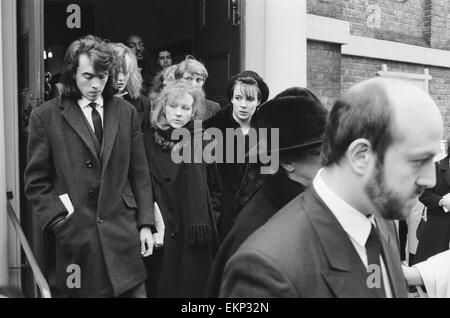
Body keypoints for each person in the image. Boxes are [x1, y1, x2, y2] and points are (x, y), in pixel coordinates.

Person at [220, 77, 444, 298]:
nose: (430, 180)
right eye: (417, 161)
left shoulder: (382, 218)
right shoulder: (267, 268)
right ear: (360, 156)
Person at [24, 35, 156, 298]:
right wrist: (61, 221)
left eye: (103, 76)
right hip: (78, 239)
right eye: (88, 76)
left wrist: (145, 224)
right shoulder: (46, 116)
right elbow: (36, 182)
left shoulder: (126, 111)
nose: (96, 84)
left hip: (124, 235)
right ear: (72, 73)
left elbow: (140, 173)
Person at [205, 87, 327, 297]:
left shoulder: (306, 203)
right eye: (319, 152)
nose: (330, 159)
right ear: (288, 162)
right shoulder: (258, 230)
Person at [143, 82, 221, 297]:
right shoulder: (148, 140)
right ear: (163, 108)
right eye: (173, 106)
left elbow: (215, 187)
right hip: (163, 230)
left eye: (185, 108)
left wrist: (207, 216)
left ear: (193, 111)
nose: (178, 113)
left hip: (194, 232)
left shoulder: (203, 140)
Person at [204, 70, 269, 242]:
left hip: (256, 218)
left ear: (259, 101)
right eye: (238, 98)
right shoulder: (210, 130)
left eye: (249, 99)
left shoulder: (268, 132)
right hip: (220, 218)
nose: (243, 105)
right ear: (231, 98)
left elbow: (271, 175)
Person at [413, 141, 450, 264]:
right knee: (433, 267)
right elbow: (423, 193)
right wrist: (442, 202)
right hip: (439, 225)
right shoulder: (436, 167)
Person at [108, 42, 151, 131]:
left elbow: (146, 139)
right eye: (116, 72)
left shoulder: (143, 103)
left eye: (126, 72)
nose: (121, 78)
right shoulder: (95, 103)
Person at [175, 55, 221, 120]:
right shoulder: (169, 107)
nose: (194, 84)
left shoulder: (214, 108)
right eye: (189, 78)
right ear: (178, 80)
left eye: (198, 80)